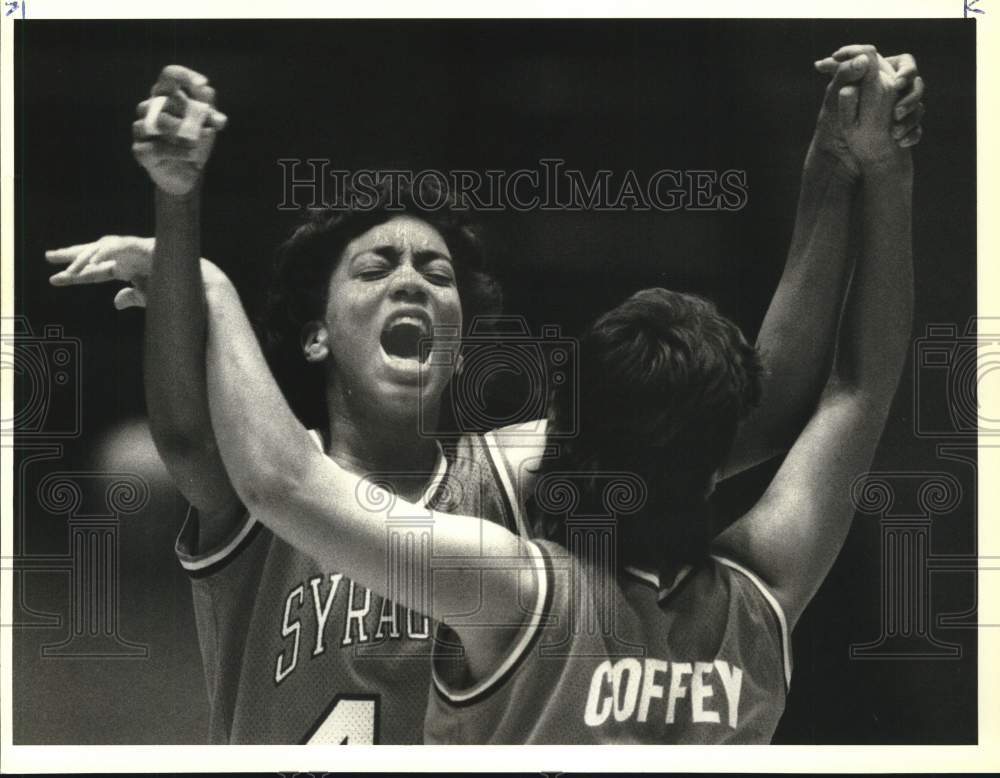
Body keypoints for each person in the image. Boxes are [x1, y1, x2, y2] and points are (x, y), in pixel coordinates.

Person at [47, 44, 923, 743]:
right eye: (375, 267)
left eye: (436, 271)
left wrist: (197, 278)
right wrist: (177, 204)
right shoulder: (265, 456)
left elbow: (735, 416)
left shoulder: (519, 480)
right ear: (316, 333)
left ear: (463, 335)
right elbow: (190, 435)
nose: (412, 282)